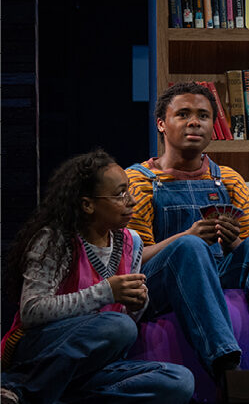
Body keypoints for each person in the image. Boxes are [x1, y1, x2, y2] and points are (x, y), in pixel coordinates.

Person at [126, 82, 249, 404]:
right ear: (161, 123)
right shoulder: (138, 181)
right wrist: (185, 238)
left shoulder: (227, 178)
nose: (194, 122)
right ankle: (228, 372)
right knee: (190, 249)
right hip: (158, 282)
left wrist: (234, 242)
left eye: (203, 116)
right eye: (183, 114)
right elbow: (131, 258)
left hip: (217, 270)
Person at [0, 149, 194, 403]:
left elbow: (123, 322)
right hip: (40, 352)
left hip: (90, 365)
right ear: (87, 205)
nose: (131, 201)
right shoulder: (56, 241)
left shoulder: (131, 242)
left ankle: (44, 395)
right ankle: (22, 387)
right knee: (118, 326)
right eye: (120, 194)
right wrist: (106, 292)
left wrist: (136, 304)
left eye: (129, 191)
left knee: (179, 381)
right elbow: (32, 311)